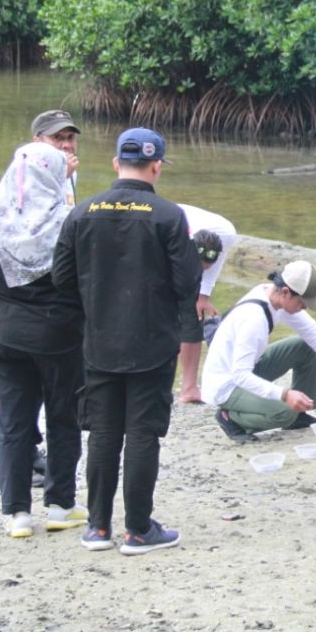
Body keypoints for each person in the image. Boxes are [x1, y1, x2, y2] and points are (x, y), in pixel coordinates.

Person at [52, 127, 201, 556]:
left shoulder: (81, 213)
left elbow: (61, 278)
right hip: (152, 342)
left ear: (116, 163)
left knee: (102, 432)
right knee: (141, 433)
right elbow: (186, 281)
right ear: (157, 166)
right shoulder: (169, 216)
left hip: (97, 339)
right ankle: (138, 530)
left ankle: (98, 528)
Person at [0, 142, 87, 538]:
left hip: (4, 336)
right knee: (64, 419)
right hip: (61, 337)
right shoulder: (72, 221)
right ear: (54, 173)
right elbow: (84, 280)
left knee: (12, 425)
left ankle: (16, 515)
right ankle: (61, 506)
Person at [204, 260, 316, 439]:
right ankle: (231, 419)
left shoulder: (273, 295)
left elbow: (312, 332)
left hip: (251, 368)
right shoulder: (254, 319)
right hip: (228, 385)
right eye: (302, 302)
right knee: (284, 413)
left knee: (304, 346)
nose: (305, 307)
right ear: (285, 292)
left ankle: (299, 414)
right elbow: (240, 375)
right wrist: (284, 394)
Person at [176, 204, 239, 403]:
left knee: (193, 316)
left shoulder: (226, 234)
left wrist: (203, 296)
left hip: (203, 236)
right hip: (160, 238)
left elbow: (215, 264)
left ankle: (189, 388)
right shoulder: (171, 232)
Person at [31, 110, 81, 207]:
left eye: (70, 137)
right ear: (37, 141)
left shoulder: (71, 172)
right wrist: (63, 176)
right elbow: (38, 216)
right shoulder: (28, 171)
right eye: (57, 137)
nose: (67, 145)